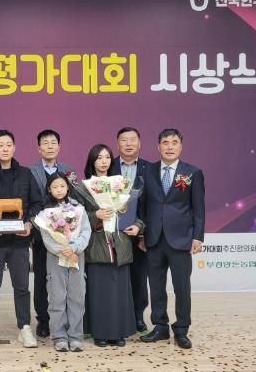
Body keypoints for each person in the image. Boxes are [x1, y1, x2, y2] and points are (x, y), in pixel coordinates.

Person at [0, 130, 42, 349]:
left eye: (9, 145)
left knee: (22, 287)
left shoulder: (26, 174)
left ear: (14, 148)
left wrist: (29, 223)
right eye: (0, 145)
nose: (5, 148)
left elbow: (37, 203)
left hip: (19, 242)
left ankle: (24, 328)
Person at [140, 128, 205, 350]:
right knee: (156, 286)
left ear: (181, 146)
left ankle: (182, 330)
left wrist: (198, 237)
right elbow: (143, 205)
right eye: (165, 142)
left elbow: (199, 208)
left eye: (174, 142)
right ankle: (160, 327)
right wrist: (142, 233)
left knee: (181, 288)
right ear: (158, 147)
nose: (169, 146)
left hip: (181, 239)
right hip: (154, 238)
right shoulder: (148, 171)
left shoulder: (192, 172)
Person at [73, 144, 142, 347]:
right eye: (99, 157)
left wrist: (138, 226)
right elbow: (74, 217)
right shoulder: (82, 187)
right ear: (92, 161)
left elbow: (137, 212)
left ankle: (119, 332)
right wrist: (96, 215)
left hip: (120, 243)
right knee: (99, 291)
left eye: (107, 157)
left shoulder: (121, 185)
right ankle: (100, 332)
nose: (103, 161)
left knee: (120, 290)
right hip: (97, 244)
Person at [36, 172, 91, 352]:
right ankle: (59, 336)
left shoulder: (79, 208)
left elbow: (85, 232)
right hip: (56, 260)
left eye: (62, 186)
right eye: (54, 187)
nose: (59, 190)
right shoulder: (45, 213)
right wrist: (63, 250)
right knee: (57, 298)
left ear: (68, 187)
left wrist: (74, 247)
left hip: (76, 257)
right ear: (49, 189)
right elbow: (47, 239)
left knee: (77, 297)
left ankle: (75, 336)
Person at [29, 129, 74, 338]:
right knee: (41, 279)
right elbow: (29, 202)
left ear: (59, 146)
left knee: (64, 279)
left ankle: (64, 319)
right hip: (41, 235)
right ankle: (43, 320)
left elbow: (75, 200)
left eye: (53, 142)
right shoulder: (30, 171)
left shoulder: (68, 171)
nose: (49, 146)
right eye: (45, 143)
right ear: (39, 148)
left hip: (65, 237)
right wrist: (38, 226)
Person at [109, 126, 151, 333]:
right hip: (111, 234)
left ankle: (138, 316)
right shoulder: (108, 166)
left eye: (132, 139)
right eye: (124, 140)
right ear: (118, 144)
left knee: (138, 277)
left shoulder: (150, 169)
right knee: (114, 277)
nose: (128, 144)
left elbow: (153, 204)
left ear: (139, 143)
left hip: (138, 235)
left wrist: (142, 228)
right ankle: (114, 317)